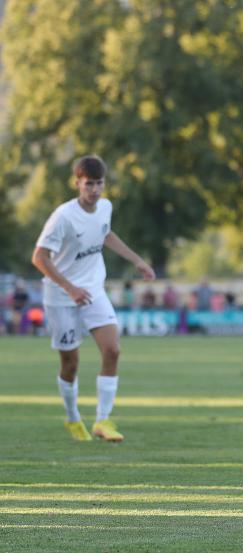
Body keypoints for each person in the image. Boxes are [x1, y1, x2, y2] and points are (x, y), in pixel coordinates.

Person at [31, 155, 155, 442]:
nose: (95, 190)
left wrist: (137, 260)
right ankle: (74, 419)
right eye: (89, 184)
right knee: (70, 363)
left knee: (112, 350)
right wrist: (70, 287)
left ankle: (103, 420)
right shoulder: (62, 217)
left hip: (94, 290)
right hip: (61, 297)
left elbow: (105, 234)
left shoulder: (105, 207)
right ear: (77, 183)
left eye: (99, 184)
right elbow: (38, 257)